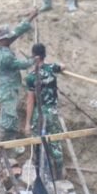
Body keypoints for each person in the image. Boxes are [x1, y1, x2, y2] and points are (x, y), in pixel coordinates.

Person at [0, 12, 39, 142]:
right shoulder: (4, 57)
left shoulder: (0, 46)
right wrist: (32, 61)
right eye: (8, 38)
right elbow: (20, 64)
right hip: (7, 91)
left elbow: (16, 32)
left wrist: (30, 18)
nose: (10, 39)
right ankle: (4, 145)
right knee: (9, 120)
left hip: (6, 89)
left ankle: (7, 142)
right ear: (3, 40)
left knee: (8, 118)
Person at [24, 43, 65, 177]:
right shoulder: (52, 69)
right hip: (52, 112)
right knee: (55, 143)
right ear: (44, 55)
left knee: (37, 144)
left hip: (38, 114)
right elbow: (63, 66)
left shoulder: (30, 77)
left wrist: (27, 123)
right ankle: (59, 175)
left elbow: (30, 101)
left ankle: (39, 175)